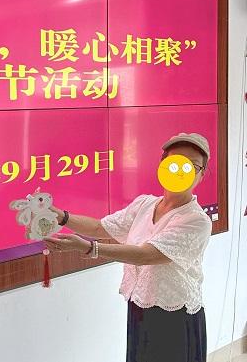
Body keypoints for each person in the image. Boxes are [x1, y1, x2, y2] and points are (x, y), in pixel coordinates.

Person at [44, 132, 213, 362]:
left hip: (175, 314)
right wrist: (62, 217)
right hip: (140, 307)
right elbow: (100, 227)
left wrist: (89, 248)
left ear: (201, 175)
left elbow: (148, 254)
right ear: (162, 165)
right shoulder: (144, 204)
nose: (182, 171)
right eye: (175, 162)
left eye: (192, 166)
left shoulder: (196, 220)